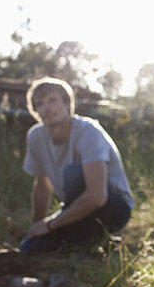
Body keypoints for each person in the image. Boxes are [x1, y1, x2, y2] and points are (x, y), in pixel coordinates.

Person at [18, 77, 134, 255]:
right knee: (29, 249)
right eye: (39, 104)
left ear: (66, 104)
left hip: (113, 209)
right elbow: (43, 187)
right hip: (75, 207)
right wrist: (38, 227)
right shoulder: (36, 137)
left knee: (74, 174)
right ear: (35, 111)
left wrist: (50, 225)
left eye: (52, 100)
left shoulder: (88, 132)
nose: (46, 108)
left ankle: (90, 243)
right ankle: (82, 240)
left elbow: (97, 196)